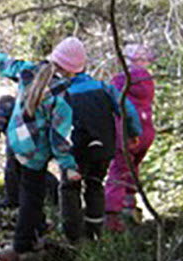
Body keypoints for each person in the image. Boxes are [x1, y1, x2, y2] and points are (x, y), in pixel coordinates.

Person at [0, 49, 80, 261]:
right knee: (32, 197)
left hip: (16, 141)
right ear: (73, 71)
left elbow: (8, 64)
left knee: (23, 183)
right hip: (36, 151)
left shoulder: (28, 70)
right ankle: (23, 241)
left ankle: (39, 227)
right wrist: (69, 166)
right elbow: (60, 137)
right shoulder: (61, 96)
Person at [51, 37, 142, 242]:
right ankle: (94, 232)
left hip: (76, 152)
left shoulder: (62, 92)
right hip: (103, 149)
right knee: (95, 184)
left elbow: (54, 123)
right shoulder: (103, 87)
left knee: (69, 188)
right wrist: (133, 132)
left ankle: (72, 235)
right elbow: (126, 108)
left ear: (66, 69)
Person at [105, 44, 157, 232]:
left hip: (127, 133)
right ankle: (129, 203)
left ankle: (112, 215)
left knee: (118, 170)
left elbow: (112, 103)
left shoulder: (120, 82)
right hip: (147, 131)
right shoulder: (149, 81)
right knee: (132, 166)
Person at [0, 95, 59, 208]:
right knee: (36, 172)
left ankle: (12, 200)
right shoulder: (25, 108)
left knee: (12, 172)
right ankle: (54, 196)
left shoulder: (5, 109)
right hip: (38, 144)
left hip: (17, 147)